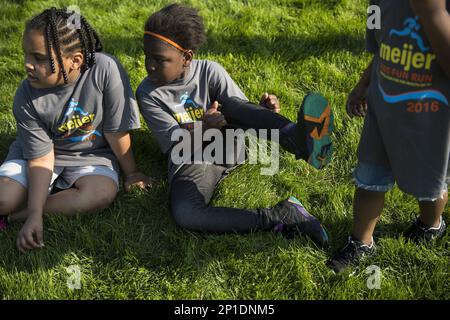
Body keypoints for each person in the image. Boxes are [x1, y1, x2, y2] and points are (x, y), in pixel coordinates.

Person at [136, 4, 334, 247]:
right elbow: (178, 145)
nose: (150, 65)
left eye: (159, 59)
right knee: (186, 215)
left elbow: (241, 110)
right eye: (147, 56)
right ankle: (281, 216)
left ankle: (296, 137)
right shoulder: (148, 92)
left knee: (233, 105)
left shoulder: (210, 70)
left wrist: (265, 113)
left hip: (230, 145)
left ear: (186, 57)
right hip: (191, 158)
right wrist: (205, 128)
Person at [0, 8, 153, 252]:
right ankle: (27, 207)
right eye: (26, 54)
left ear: (76, 61)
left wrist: (132, 173)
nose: (28, 65)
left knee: (100, 193)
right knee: (4, 198)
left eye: (39, 58)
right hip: (41, 156)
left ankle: (17, 216)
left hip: (91, 156)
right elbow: (41, 157)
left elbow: (115, 131)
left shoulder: (105, 69)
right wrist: (36, 212)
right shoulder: (26, 95)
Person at [329, 0, 449, 273]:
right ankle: (361, 242)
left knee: (430, 185)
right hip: (383, 109)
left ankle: (430, 225)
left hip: (430, 117)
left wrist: (433, 13)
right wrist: (363, 84)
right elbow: (381, 48)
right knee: (369, 179)